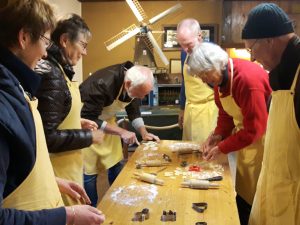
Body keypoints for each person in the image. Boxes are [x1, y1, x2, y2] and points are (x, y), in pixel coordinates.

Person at [0, 0, 105, 224]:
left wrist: (52, 181)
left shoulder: (17, 84)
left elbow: (16, 163)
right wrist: (67, 216)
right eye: (45, 41)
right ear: (24, 37)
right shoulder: (6, 99)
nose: (45, 54)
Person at [187, 42, 271, 225]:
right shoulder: (219, 80)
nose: (203, 81)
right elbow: (226, 114)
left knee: (258, 195)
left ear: (215, 65)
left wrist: (222, 148)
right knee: (244, 189)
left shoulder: (247, 81)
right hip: (247, 140)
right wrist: (217, 135)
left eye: (204, 75)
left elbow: (255, 129)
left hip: (264, 141)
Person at [35, 14, 104, 206]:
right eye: (83, 44)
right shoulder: (52, 75)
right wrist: (88, 137)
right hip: (57, 174)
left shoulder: (61, 71)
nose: (85, 52)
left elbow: (52, 116)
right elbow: (47, 137)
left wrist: (76, 122)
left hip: (69, 169)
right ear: (65, 40)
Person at [241, 3, 300, 225]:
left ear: (269, 40)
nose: (253, 58)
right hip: (273, 190)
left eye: (251, 49)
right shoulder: (280, 74)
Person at [80, 62, 160, 206]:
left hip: (107, 122)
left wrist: (144, 133)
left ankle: (120, 201)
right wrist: (121, 131)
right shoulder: (102, 84)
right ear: (128, 84)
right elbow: (89, 118)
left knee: (116, 163)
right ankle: (91, 209)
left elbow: (133, 111)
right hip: (87, 124)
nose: (141, 98)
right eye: (140, 94)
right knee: (90, 173)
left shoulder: (134, 80)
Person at [176, 18, 218, 143]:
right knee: (188, 151)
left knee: (206, 152)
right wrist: (182, 108)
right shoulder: (185, 53)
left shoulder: (213, 53)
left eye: (188, 44)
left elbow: (221, 87)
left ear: (199, 36)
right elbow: (185, 82)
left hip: (208, 111)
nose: (184, 49)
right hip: (190, 109)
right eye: (181, 45)